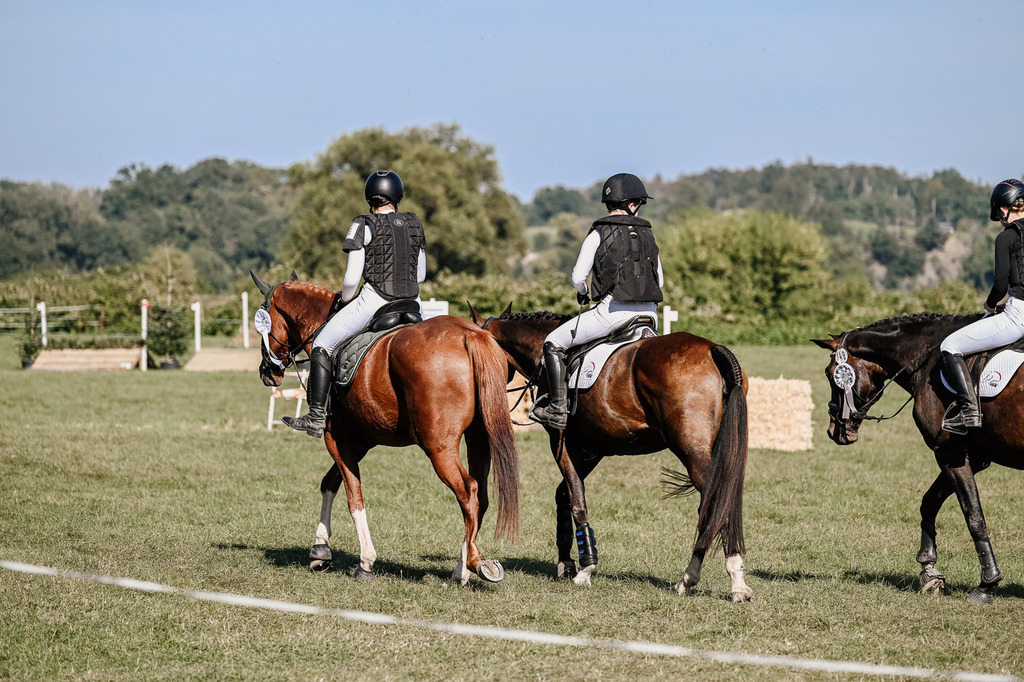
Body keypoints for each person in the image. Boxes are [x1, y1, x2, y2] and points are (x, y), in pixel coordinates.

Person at [284, 170, 427, 438]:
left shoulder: (363, 224)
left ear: (369, 198)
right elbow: (420, 275)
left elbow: (351, 279)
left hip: (376, 300)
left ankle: (316, 417)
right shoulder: (414, 223)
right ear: (398, 197)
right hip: (413, 303)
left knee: (322, 344)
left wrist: (345, 301)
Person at [530, 172, 664, 429]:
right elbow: (661, 283)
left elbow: (578, 276)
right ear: (632, 204)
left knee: (553, 342)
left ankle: (557, 409)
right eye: (640, 203)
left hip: (612, 313)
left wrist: (582, 291)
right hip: (650, 315)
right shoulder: (649, 234)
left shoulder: (598, 233)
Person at [939, 178, 1024, 433]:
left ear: (1003, 208)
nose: (999, 218)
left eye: (999, 213)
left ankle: (969, 413)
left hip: (1019, 315)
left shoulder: (1006, 237)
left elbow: (1000, 283)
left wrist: (989, 305)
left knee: (950, 346)